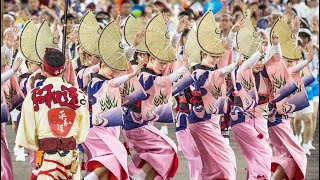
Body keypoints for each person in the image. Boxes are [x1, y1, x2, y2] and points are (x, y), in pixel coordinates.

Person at [16, 48, 89, 179]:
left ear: (43, 68)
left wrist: (39, 142)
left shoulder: (34, 95)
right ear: (64, 67)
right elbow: (82, 130)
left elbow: (28, 132)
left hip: (46, 155)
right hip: (70, 153)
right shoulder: (78, 95)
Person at [187, 11, 242, 180]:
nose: (215, 59)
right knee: (227, 158)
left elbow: (225, 52)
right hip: (202, 122)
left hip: (209, 121)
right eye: (212, 56)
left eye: (216, 57)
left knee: (211, 163)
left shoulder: (210, 69)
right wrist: (233, 65)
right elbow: (216, 74)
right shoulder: (198, 71)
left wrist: (232, 33)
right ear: (203, 54)